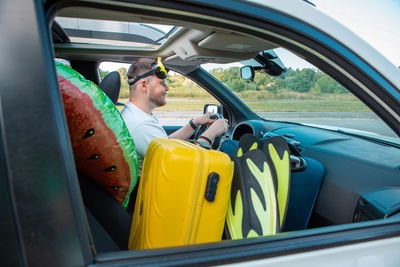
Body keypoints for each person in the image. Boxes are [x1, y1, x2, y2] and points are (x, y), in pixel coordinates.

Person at [121, 57, 228, 174]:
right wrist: (210, 134)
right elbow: (181, 167)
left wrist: (194, 123)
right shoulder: (141, 125)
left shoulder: (135, 114)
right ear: (144, 85)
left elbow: (165, 144)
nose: (167, 88)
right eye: (161, 83)